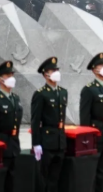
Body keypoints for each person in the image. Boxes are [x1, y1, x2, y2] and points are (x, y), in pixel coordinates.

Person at [80, 53, 103, 192]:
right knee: (92, 169)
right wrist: (87, 136)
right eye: (102, 65)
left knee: (102, 169)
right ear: (95, 69)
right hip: (95, 133)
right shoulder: (89, 89)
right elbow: (84, 116)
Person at [31, 57, 67, 192]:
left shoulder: (63, 92)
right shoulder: (41, 94)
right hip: (47, 141)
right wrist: (36, 143)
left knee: (55, 178)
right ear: (46, 74)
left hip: (60, 141)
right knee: (44, 178)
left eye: (56, 69)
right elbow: (35, 121)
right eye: (53, 70)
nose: (56, 72)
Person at [0, 61, 22, 192]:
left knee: (11, 182)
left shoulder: (15, 98)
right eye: (7, 75)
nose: (11, 78)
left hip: (13, 145)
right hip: (1, 146)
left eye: (12, 74)